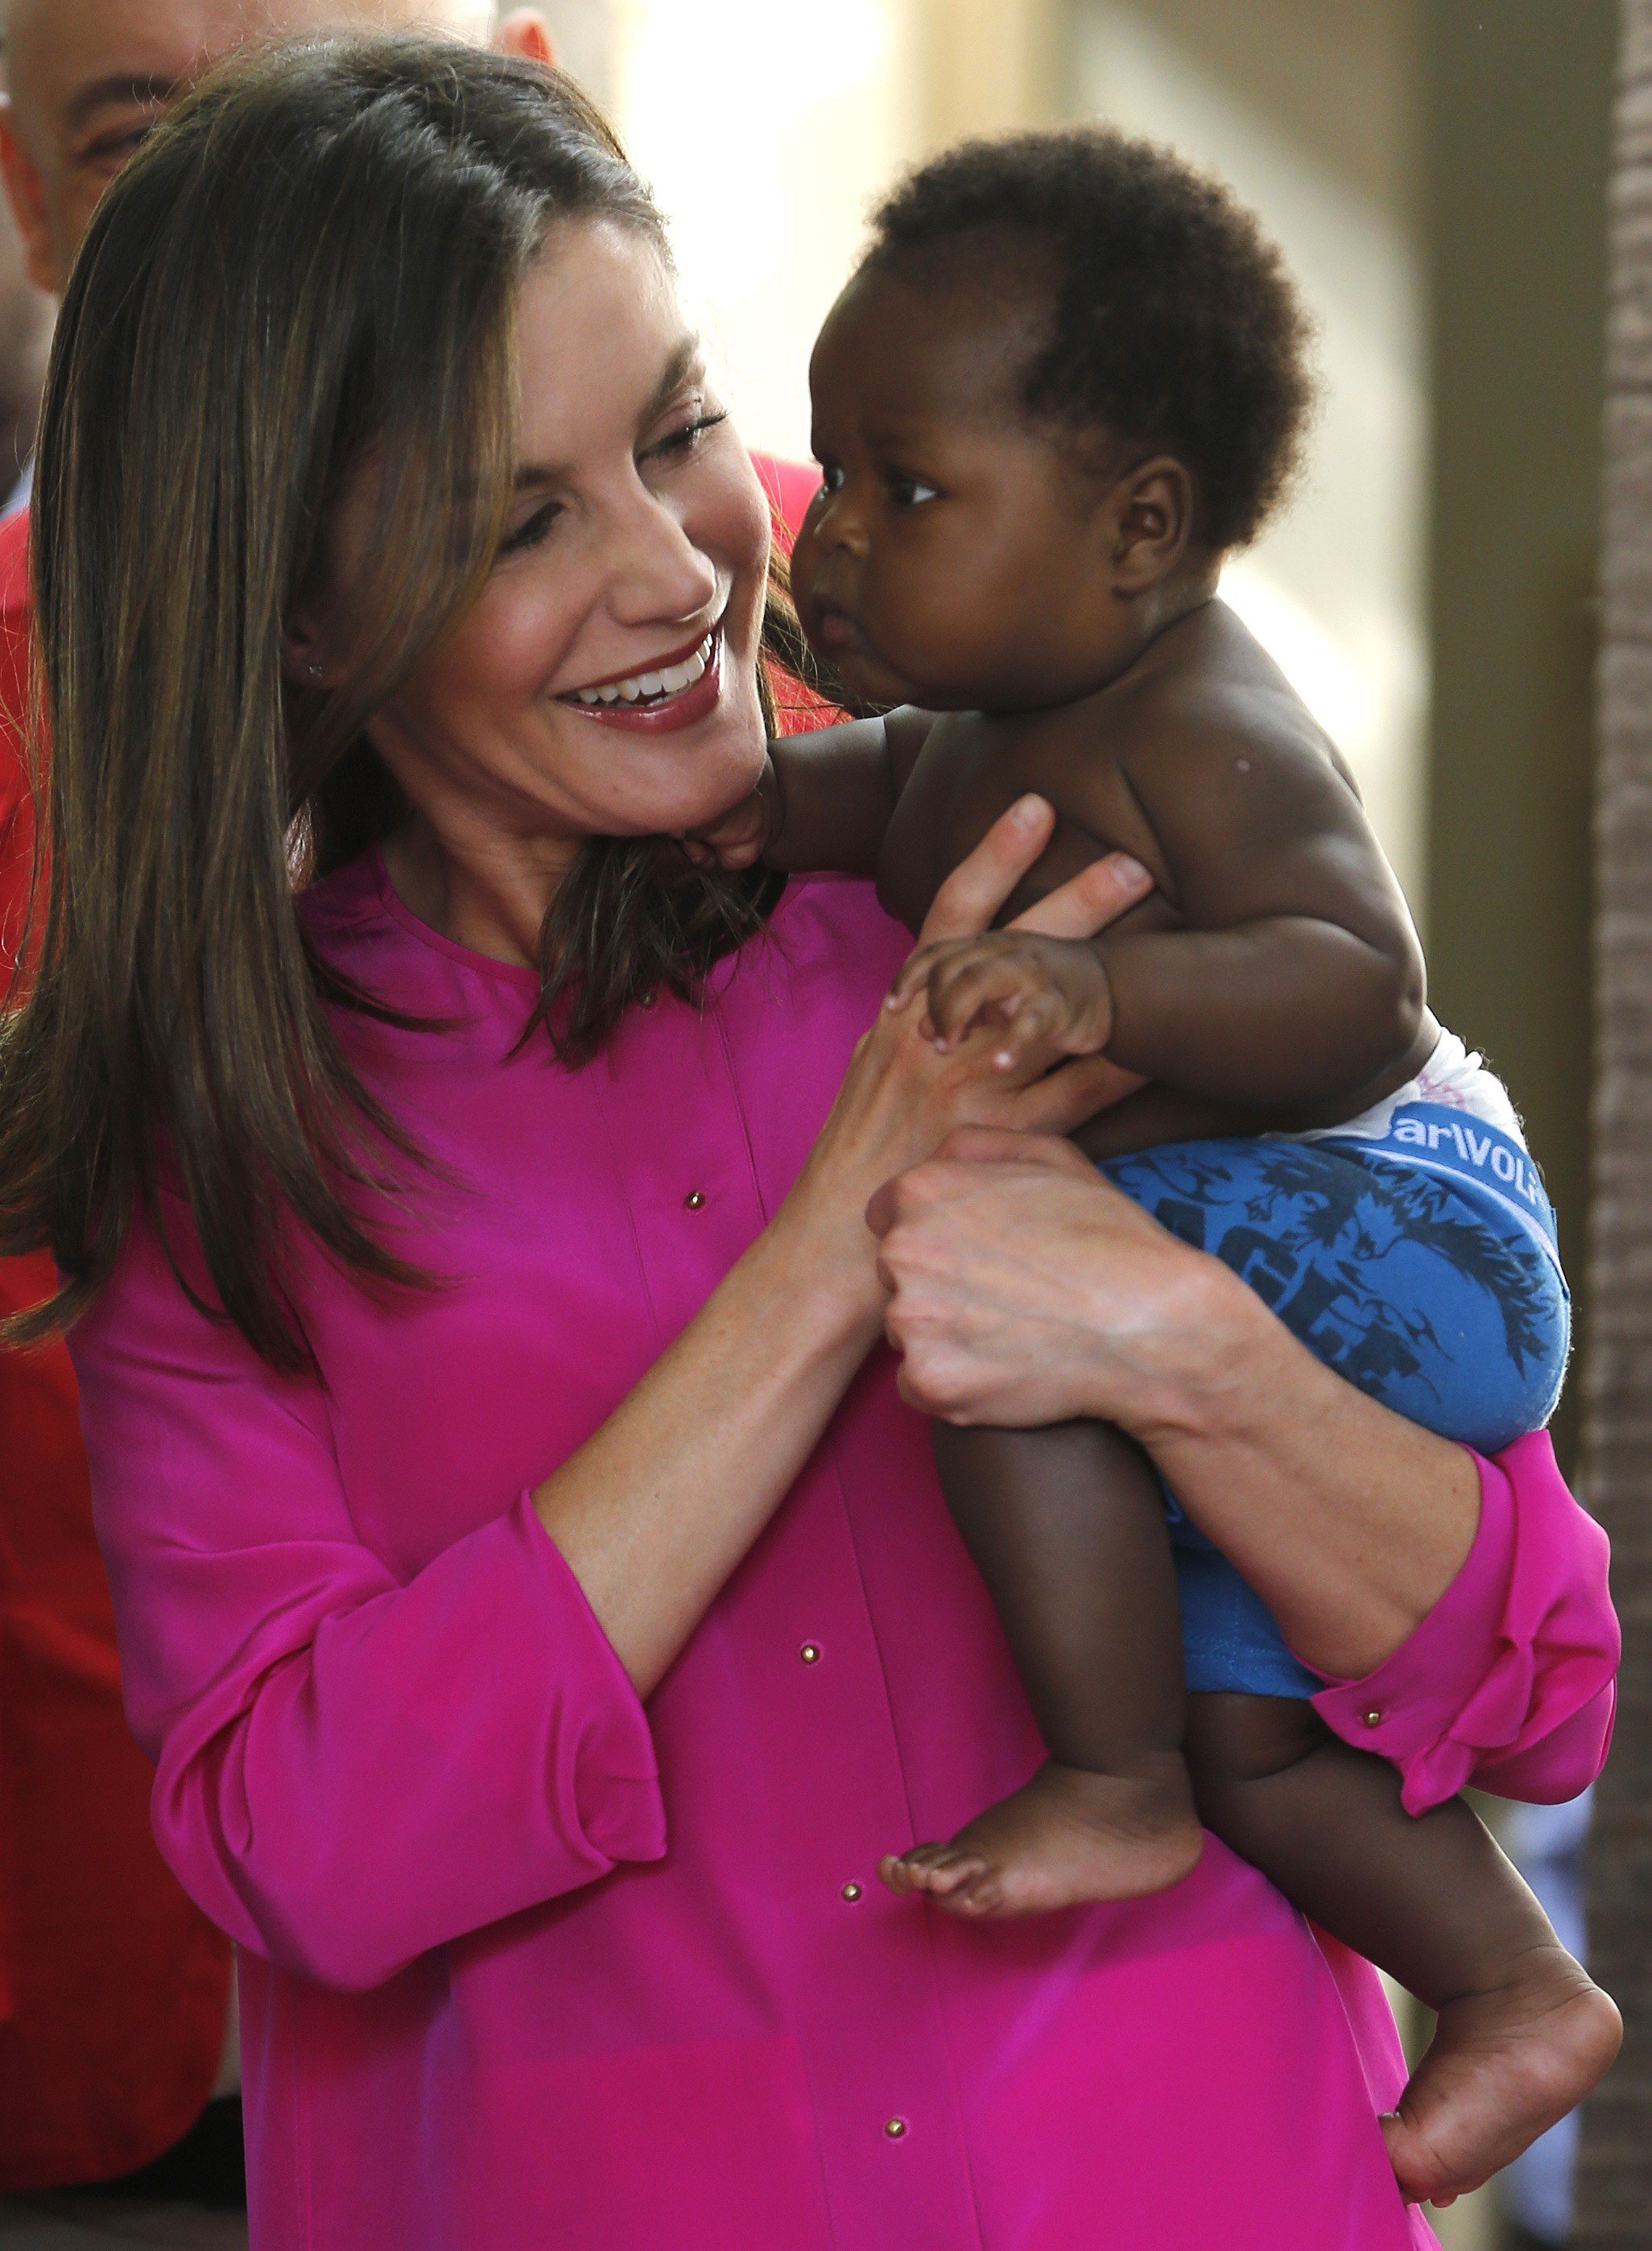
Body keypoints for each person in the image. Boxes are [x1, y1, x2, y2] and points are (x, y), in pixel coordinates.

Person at [0, 41, 1618, 2246]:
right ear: (302, 606)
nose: (678, 567)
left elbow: (1523, 1674)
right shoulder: (224, 1135)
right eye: (519, 518)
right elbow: (312, 1844)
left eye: (673, 427)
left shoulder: (1029, 896)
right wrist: (823, 1263)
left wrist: (1183, 1348)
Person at [729, 130, 1620, 2207]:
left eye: (904, 486)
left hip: (1403, 1209)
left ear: (1139, 529)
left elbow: (1351, 984)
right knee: (1262, 1741)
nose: (832, 541)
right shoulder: (986, 709)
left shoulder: (1199, 714)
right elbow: (866, 792)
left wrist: (1103, 997)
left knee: (974, 1291)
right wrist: (745, 810)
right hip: (1280, 1251)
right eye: (828, 475)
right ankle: (1510, 1983)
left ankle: (1110, 1776)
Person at [0, 0, 555, 2199]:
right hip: (92, 2050)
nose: (273, 218)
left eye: (365, 118)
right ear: (31, 195)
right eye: (148, 139)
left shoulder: (811, 608)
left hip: (691, 2023)